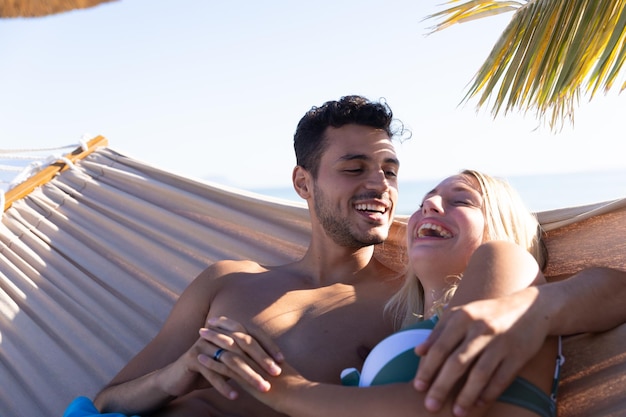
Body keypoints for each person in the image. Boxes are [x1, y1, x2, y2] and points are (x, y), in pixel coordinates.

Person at [64, 95, 626, 417]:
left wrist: (530, 310)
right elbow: (108, 400)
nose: (380, 186)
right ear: (303, 184)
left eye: (390, 172)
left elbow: (597, 290)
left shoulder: (405, 305)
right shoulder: (227, 281)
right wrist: (177, 376)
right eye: (355, 169)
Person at [198, 169, 562, 417]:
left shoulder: (505, 257)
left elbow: (436, 405)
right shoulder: (412, 325)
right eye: (424, 202)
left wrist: (285, 389)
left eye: (461, 201)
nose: (430, 206)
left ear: (502, 225)